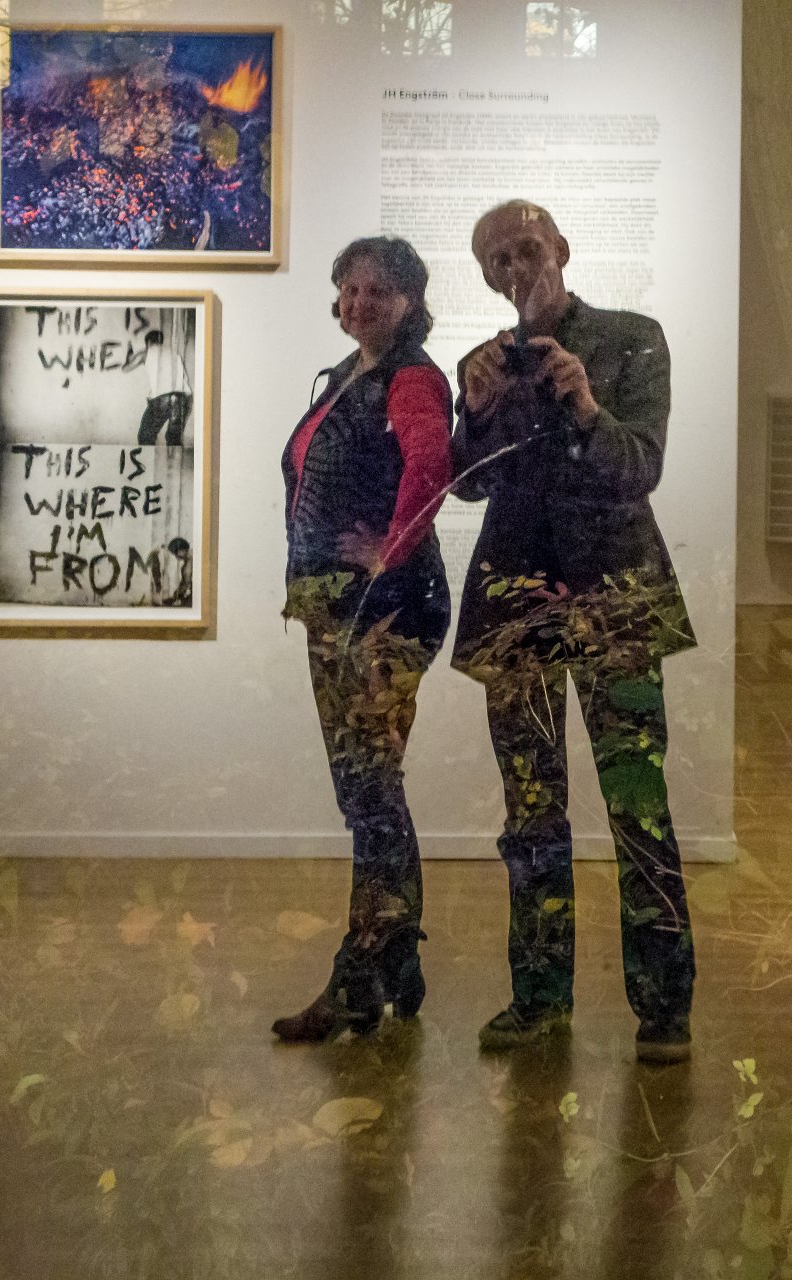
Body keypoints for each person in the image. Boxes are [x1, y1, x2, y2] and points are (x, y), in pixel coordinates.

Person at [452, 200, 698, 1063]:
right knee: (530, 810)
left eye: (529, 248)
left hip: (616, 601)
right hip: (515, 608)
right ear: (488, 278)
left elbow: (642, 469)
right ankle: (538, 999)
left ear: (561, 247)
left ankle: (665, 1008)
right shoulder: (484, 361)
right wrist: (476, 411)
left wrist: (588, 407)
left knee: (637, 803)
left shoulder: (634, 338)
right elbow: (465, 485)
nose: (519, 268)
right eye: (500, 260)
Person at [273, 236, 453, 1042]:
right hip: (338, 610)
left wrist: (392, 548)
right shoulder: (350, 374)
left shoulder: (410, 377)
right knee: (368, 791)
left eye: (378, 290)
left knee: (370, 793)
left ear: (409, 300)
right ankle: (395, 963)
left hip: (382, 612)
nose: (360, 302)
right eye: (350, 288)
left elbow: (430, 466)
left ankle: (362, 977)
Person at [138, 329, 193, 446]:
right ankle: (176, 458)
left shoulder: (146, 352)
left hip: (163, 399)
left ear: (148, 342)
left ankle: (148, 458)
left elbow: (126, 368)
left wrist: (129, 355)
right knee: (174, 439)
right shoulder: (174, 354)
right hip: (183, 398)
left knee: (145, 436)